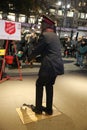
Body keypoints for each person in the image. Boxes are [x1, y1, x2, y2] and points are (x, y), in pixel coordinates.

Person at [26, 15, 64, 115]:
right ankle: (49, 109)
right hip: (56, 66)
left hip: (49, 66)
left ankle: (38, 109)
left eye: (41, 24)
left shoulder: (45, 35)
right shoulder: (55, 36)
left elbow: (37, 50)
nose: (41, 26)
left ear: (45, 25)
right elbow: (48, 51)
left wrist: (29, 58)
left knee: (39, 84)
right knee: (49, 85)